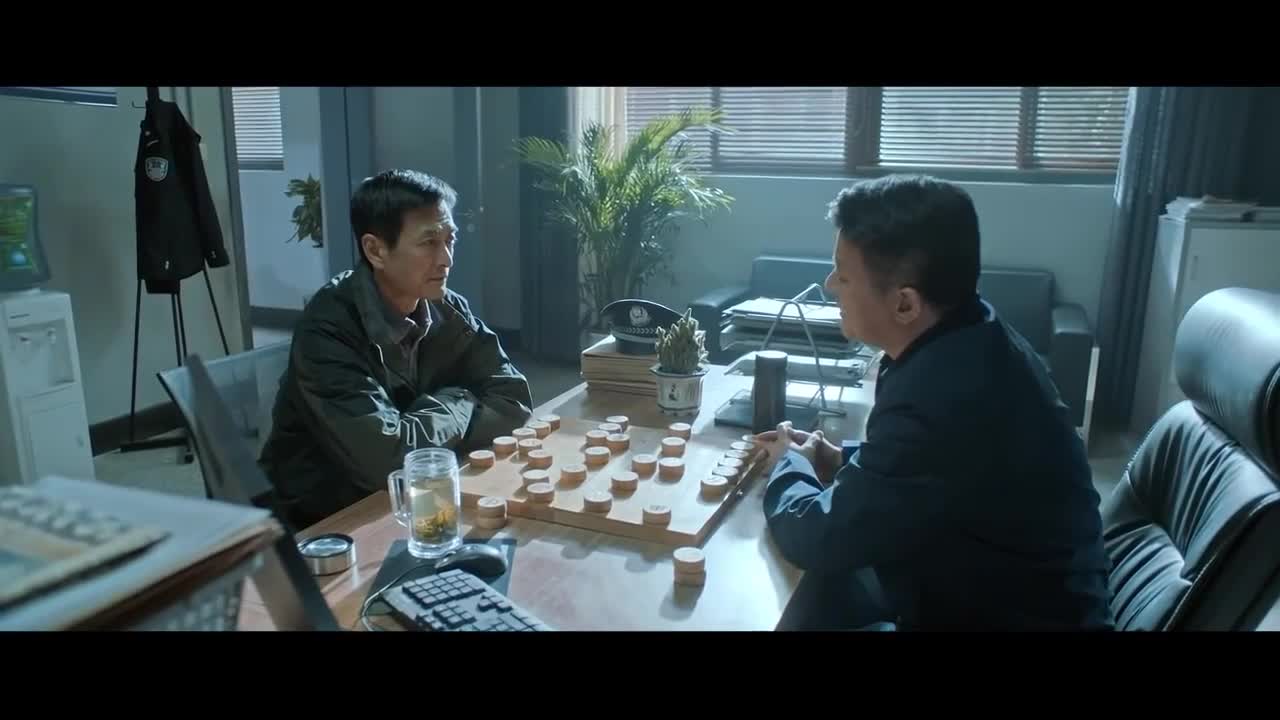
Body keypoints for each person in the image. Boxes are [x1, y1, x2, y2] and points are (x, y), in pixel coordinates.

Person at [756, 174, 1114, 631]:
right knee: (823, 595)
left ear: (905, 304)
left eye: (843, 275)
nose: (829, 285)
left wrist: (788, 465)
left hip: (1011, 619)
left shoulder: (943, 393)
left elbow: (821, 538)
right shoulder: (974, 331)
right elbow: (940, 466)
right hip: (1007, 595)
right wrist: (839, 457)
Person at [259, 169, 533, 530]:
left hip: (417, 498)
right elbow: (391, 461)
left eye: (450, 240)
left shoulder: (448, 308)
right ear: (375, 250)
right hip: (322, 520)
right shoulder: (327, 330)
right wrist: (460, 403)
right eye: (429, 242)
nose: (446, 259)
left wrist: (422, 436)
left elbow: (514, 402)